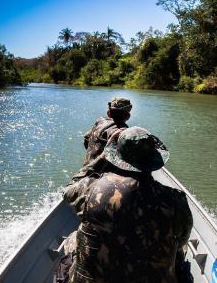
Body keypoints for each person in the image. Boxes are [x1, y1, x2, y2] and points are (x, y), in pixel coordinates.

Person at [64, 126, 193, 283]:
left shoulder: (92, 189)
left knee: (72, 239)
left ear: (116, 156)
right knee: (180, 253)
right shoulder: (176, 201)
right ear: (153, 160)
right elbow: (182, 240)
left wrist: (102, 156)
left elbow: (70, 188)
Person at [82, 97, 132, 167]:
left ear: (108, 113)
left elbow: (86, 139)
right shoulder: (123, 131)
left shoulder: (100, 121)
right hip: (102, 174)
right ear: (128, 116)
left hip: (86, 168)